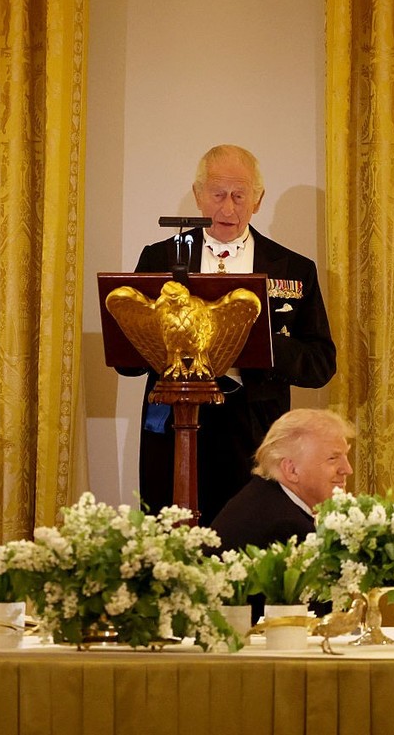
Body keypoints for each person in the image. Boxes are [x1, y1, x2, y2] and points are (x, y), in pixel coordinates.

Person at [124, 144, 336, 524]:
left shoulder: (294, 268)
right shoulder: (159, 258)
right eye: (218, 195)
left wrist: (263, 343)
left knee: (248, 540)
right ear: (198, 195)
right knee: (172, 547)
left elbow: (320, 364)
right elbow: (128, 362)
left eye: (239, 196)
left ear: (258, 199)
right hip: (174, 424)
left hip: (254, 428)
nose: (228, 209)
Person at [210, 407, 354, 551]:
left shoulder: (263, 495)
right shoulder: (287, 528)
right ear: (291, 470)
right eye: (333, 458)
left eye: (345, 456)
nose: (347, 469)